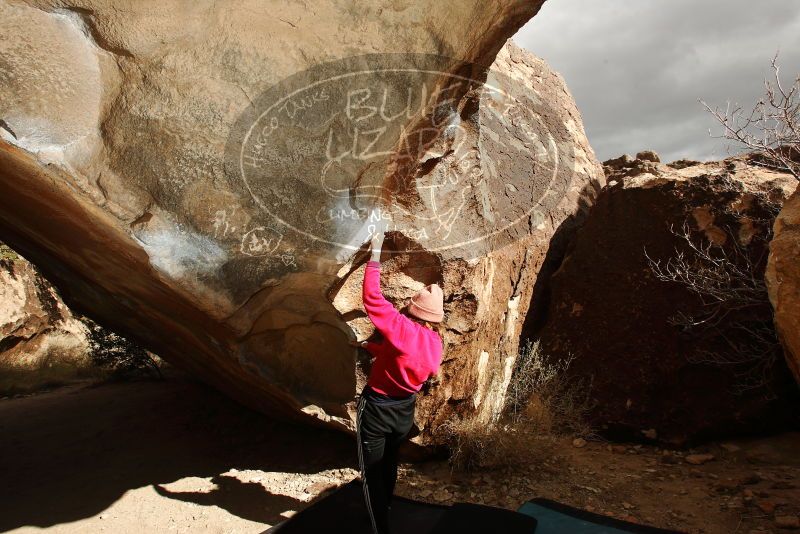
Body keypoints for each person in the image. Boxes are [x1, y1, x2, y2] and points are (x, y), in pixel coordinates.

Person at [349, 217, 444, 534]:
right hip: (404, 411)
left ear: (414, 308)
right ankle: (385, 510)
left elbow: (372, 298)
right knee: (388, 465)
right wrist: (370, 347)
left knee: (369, 473)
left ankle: (378, 528)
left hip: (376, 409)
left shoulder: (401, 328)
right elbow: (404, 358)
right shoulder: (434, 343)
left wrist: (375, 254)